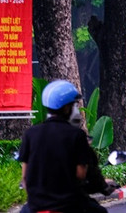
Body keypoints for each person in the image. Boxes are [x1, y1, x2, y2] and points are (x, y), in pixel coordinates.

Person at [18, 80, 110, 213]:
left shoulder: (30, 134)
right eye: (74, 105)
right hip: (70, 206)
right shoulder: (77, 135)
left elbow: (25, 176)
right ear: (67, 108)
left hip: (36, 207)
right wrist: (102, 185)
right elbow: (81, 174)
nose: (76, 110)